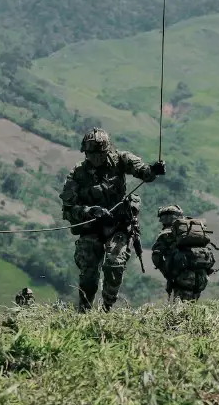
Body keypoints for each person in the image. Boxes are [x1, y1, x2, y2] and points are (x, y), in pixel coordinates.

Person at [60, 127, 165, 312]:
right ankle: (83, 313)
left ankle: (106, 308)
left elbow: (143, 171)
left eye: (100, 153)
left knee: (115, 264)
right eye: (91, 153)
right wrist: (89, 211)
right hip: (91, 228)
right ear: (85, 153)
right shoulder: (77, 174)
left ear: (107, 151)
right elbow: (68, 210)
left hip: (117, 225)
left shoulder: (121, 159)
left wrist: (153, 170)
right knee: (89, 276)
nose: (96, 158)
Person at [151, 204, 214, 302]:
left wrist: (168, 273)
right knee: (192, 307)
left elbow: (156, 257)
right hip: (202, 277)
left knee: (181, 310)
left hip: (183, 278)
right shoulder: (191, 230)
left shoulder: (166, 234)